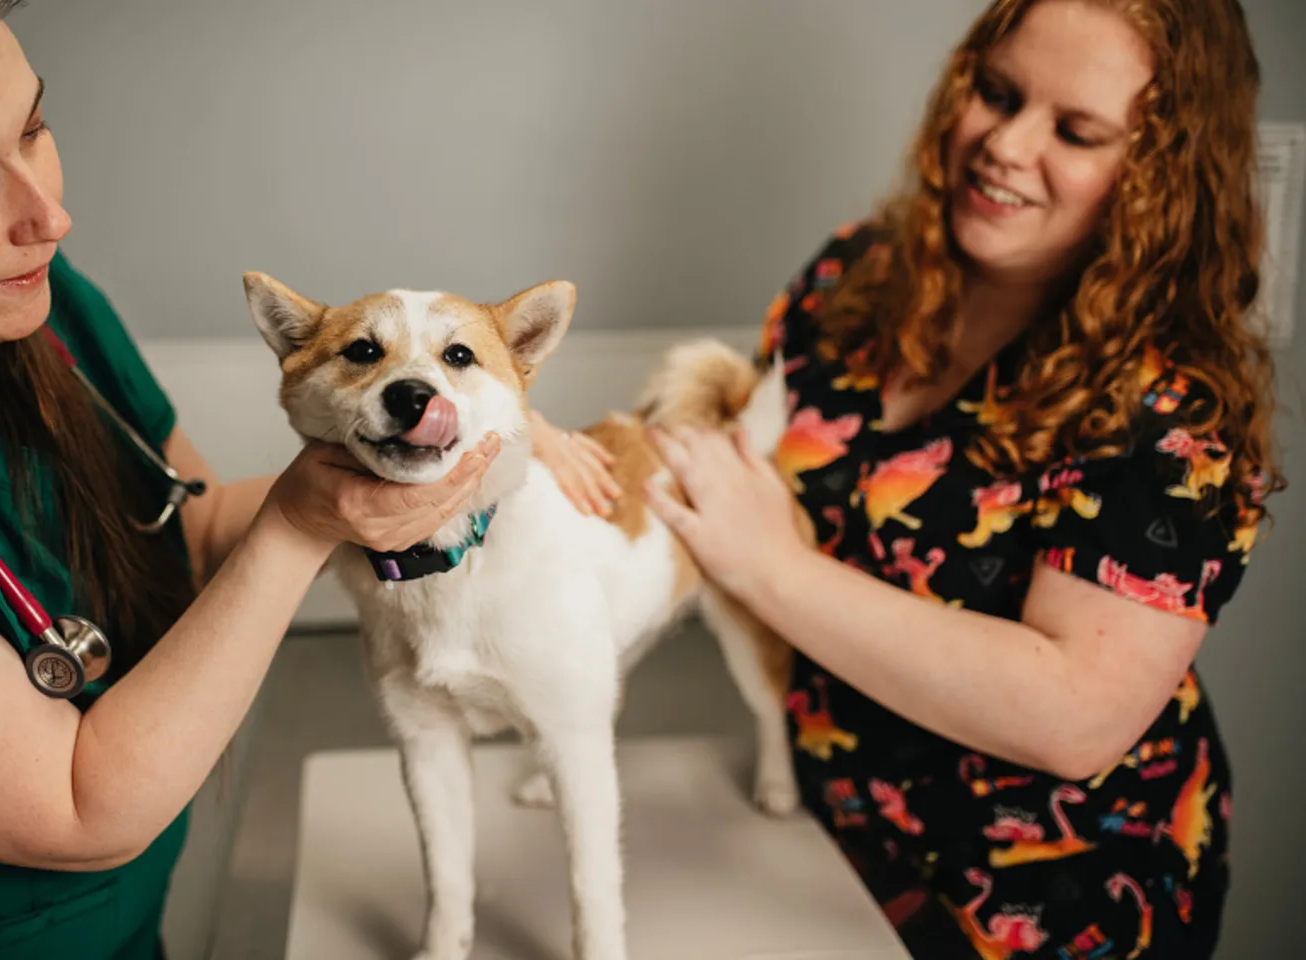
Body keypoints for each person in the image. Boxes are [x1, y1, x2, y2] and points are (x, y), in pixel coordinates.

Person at [0, 2, 513, 956]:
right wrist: (302, 524)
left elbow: (187, 532)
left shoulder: (36, 316)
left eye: (32, 128)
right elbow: (84, 806)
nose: (50, 217)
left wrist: (468, 450)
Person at [542, 0, 1283, 956]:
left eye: (1075, 130)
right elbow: (737, 477)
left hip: (1059, 904)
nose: (1006, 145)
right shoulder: (854, 277)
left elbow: (1076, 717)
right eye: (998, 92)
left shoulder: (1174, 407)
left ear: (1161, 172)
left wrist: (772, 567)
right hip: (827, 841)